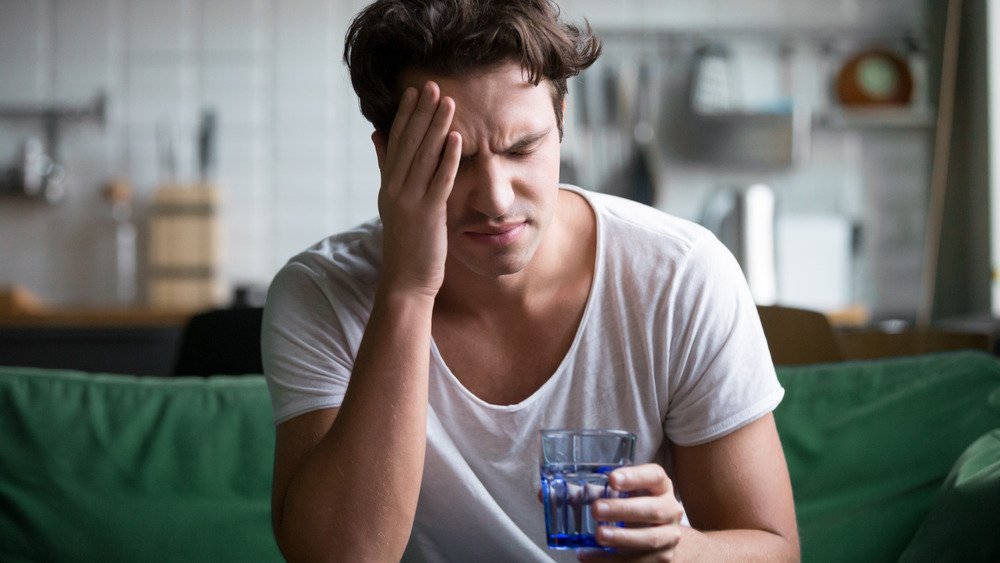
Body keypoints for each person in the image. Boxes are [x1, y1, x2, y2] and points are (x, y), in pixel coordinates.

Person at [261, 0, 799, 561]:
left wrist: (677, 552)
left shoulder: (680, 276)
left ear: (561, 121)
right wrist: (407, 289)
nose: (496, 198)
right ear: (388, 157)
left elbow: (774, 548)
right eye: (454, 159)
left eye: (523, 148)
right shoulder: (320, 294)